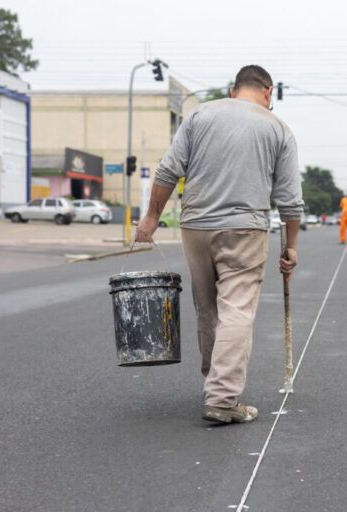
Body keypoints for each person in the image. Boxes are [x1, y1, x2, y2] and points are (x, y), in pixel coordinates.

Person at [135, 65, 304, 425]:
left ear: (233, 90)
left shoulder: (200, 115)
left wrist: (151, 218)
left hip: (195, 225)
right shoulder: (278, 129)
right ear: (268, 92)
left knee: (208, 309)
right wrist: (291, 247)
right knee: (236, 309)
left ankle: (214, 382)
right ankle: (223, 398)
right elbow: (290, 200)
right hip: (244, 229)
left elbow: (168, 170)